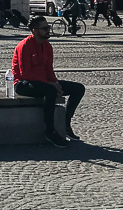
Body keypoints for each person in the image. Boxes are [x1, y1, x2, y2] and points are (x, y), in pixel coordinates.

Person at [12, 15, 85, 147]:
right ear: (34, 30)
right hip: (23, 83)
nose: (48, 30)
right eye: (44, 28)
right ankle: (49, 131)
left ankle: (65, 124)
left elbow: (49, 69)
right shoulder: (24, 46)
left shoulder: (47, 46)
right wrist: (50, 84)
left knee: (78, 88)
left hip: (44, 82)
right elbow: (25, 73)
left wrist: (55, 82)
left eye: (48, 27)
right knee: (50, 91)